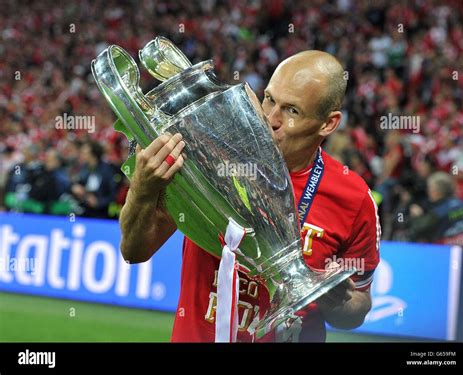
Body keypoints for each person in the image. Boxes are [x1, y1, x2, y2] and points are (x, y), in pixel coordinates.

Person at [119, 50, 380, 342]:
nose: (271, 118)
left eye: (292, 111)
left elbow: (358, 307)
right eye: (269, 99)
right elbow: (134, 252)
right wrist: (142, 189)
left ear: (328, 124)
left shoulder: (353, 198)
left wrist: (341, 302)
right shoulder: (205, 158)